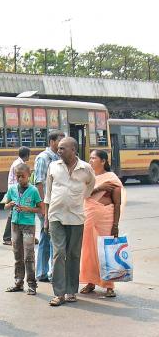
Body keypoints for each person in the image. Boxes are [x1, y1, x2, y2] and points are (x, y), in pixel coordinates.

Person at [44, 137, 95, 306]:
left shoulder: (86, 169)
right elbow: (48, 194)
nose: (59, 151)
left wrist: (75, 200)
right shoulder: (53, 167)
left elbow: (89, 189)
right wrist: (46, 219)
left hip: (76, 218)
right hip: (56, 216)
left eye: (62, 148)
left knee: (73, 255)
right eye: (58, 148)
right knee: (59, 254)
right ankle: (59, 293)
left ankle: (71, 290)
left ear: (73, 150)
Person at [79, 150, 124, 298]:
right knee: (89, 251)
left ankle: (109, 285)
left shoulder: (111, 178)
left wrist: (115, 225)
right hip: (88, 216)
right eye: (90, 158)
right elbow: (82, 194)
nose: (90, 160)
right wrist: (99, 188)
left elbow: (117, 203)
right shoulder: (88, 177)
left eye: (94, 158)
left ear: (103, 161)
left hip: (106, 218)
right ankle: (90, 282)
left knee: (106, 251)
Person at [4, 164, 43, 295]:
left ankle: (32, 284)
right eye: (17, 176)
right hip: (15, 224)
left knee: (29, 255)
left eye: (23, 176)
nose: (20, 179)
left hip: (28, 225)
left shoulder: (33, 190)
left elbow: (40, 208)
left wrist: (28, 209)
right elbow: (5, 205)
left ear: (29, 175)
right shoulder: (12, 189)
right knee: (17, 255)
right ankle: (18, 282)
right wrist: (9, 205)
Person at [33, 130, 65, 282]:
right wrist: (43, 207)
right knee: (52, 239)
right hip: (46, 205)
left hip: (56, 204)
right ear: (52, 141)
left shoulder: (59, 158)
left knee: (47, 238)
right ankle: (50, 272)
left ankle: (43, 272)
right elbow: (39, 183)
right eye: (61, 141)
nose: (63, 144)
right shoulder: (44, 158)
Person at [3, 147, 31, 245]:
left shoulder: (18, 163)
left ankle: (23, 235)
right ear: (27, 155)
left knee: (18, 212)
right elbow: (18, 180)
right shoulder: (19, 164)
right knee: (13, 213)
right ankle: (7, 237)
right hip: (16, 191)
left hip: (16, 190)